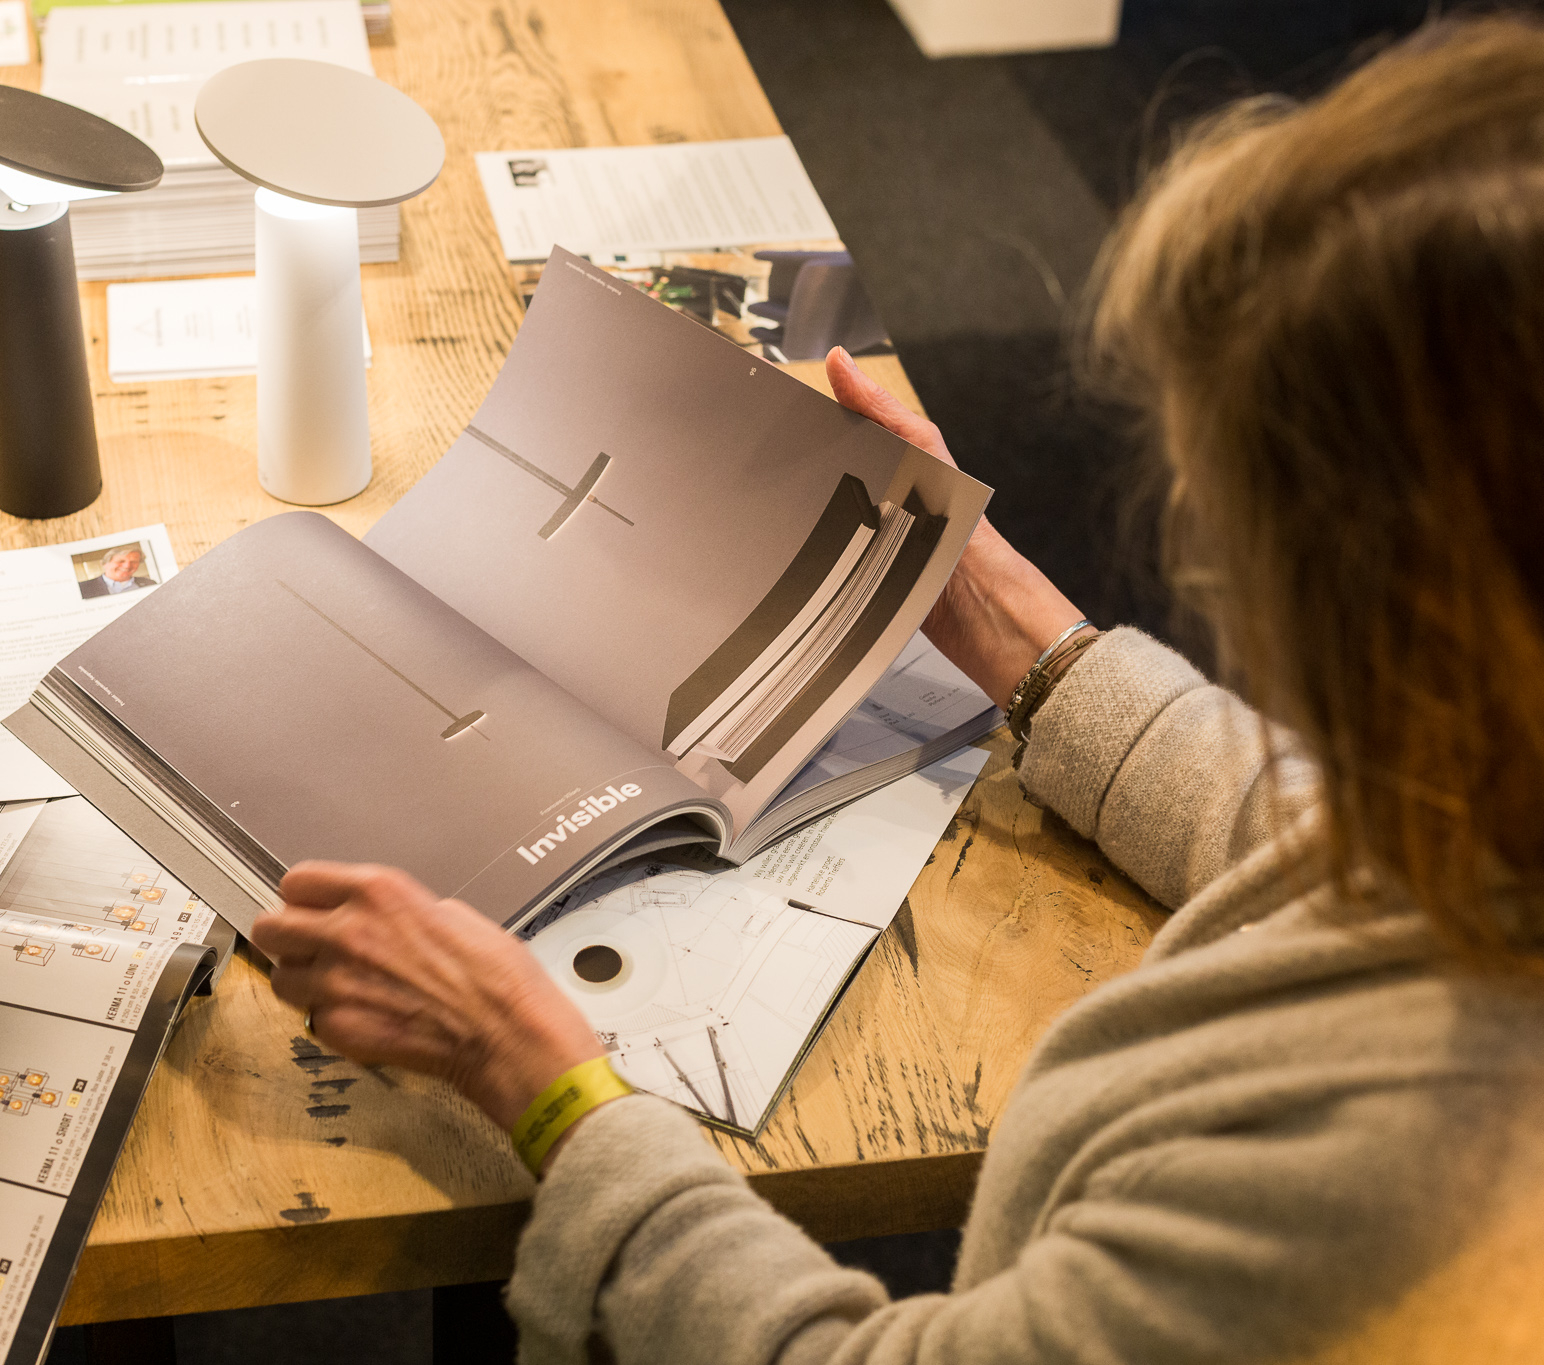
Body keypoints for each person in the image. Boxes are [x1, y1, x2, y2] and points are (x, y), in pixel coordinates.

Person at [252, 18, 1544, 1365]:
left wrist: (548, 1085)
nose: (1200, 550)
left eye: (1237, 508)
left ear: (1419, 616)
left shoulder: (1400, 1177)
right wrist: (1011, 626)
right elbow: (1358, 835)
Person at [79, 545, 154, 598]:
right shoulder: (82, 588)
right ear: (105, 563)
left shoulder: (150, 584)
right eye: (121, 561)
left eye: (133, 562)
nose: (127, 566)